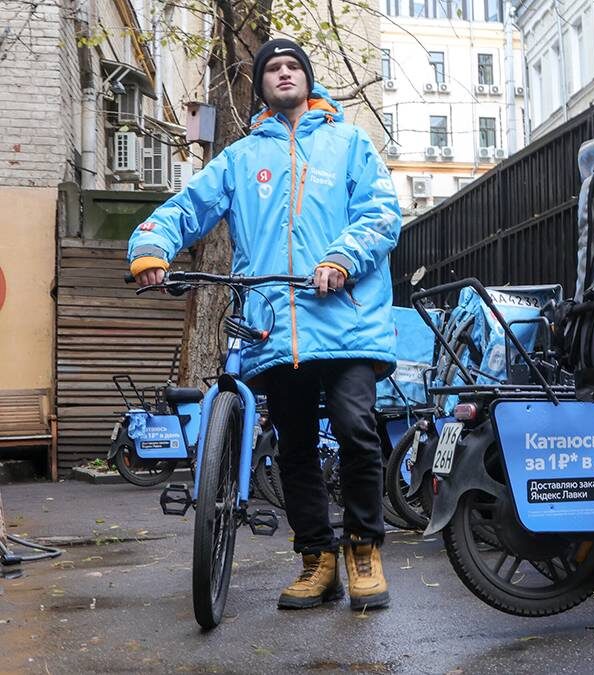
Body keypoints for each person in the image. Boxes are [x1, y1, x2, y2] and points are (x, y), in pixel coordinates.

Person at [127, 38, 401, 612]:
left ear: (307, 78)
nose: (282, 73)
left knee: (356, 428)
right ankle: (316, 560)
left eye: (291, 65)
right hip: (274, 326)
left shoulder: (349, 143)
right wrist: (152, 246)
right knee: (294, 445)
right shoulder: (241, 156)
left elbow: (380, 214)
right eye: (271, 68)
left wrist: (341, 260)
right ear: (262, 85)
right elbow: (189, 206)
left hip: (344, 321)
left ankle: (363, 549)